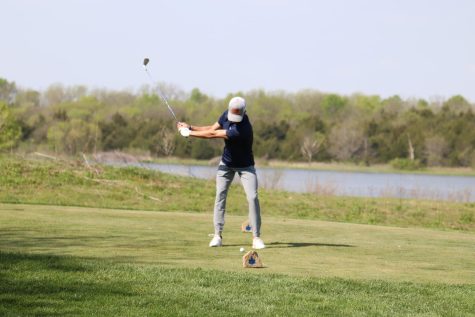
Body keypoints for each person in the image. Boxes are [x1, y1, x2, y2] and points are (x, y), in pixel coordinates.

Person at [176, 96, 265, 249]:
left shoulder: (242, 129)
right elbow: (211, 129)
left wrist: (188, 134)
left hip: (245, 167)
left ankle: (256, 237)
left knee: (252, 197)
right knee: (220, 196)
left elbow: (212, 136)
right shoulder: (226, 114)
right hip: (226, 164)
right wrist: (190, 127)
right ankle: (217, 235)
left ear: (244, 112)